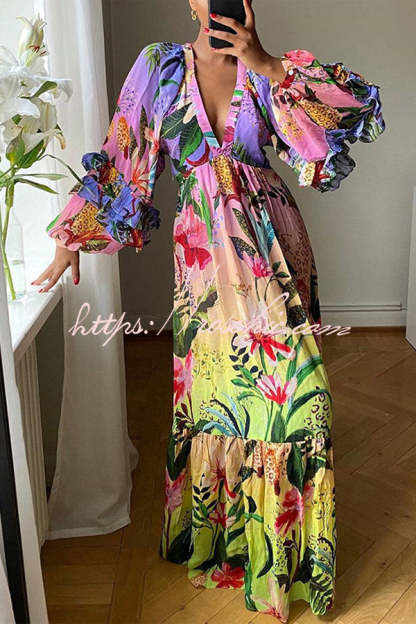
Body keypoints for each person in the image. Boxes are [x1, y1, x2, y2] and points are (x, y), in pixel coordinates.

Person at [34, 0, 385, 620]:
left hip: (275, 249)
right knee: (220, 400)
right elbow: (122, 156)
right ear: (190, 2)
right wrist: (70, 238)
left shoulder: (272, 69)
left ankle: (289, 561)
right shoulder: (159, 68)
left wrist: (266, 62)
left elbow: (346, 116)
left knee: (303, 402)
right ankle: (230, 548)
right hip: (203, 263)